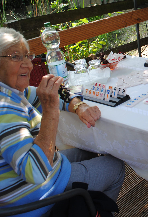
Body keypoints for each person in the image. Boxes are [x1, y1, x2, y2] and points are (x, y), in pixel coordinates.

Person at [0, 28, 125, 216]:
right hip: (33, 196)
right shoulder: (5, 109)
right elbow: (35, 172)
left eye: (27, 56)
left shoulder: (12, 92)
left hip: (38, 176)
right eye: (16, 57)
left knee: (88, 147)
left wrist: (78, 106)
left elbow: (55, 92)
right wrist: (51, 111)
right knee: (116, 167)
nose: (28, 65)